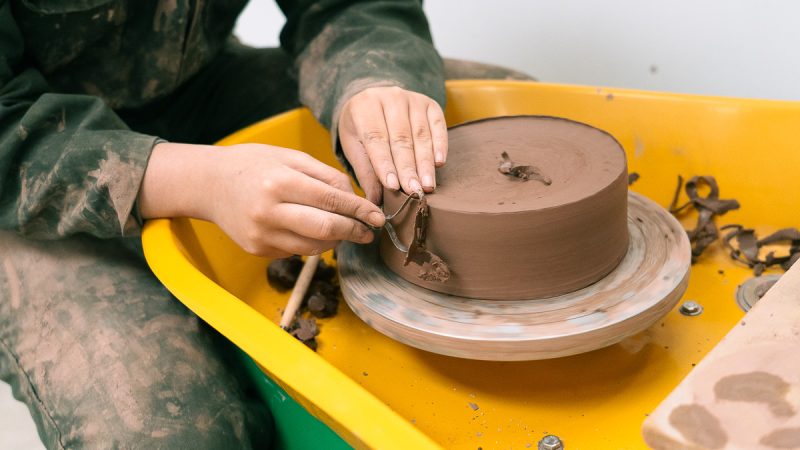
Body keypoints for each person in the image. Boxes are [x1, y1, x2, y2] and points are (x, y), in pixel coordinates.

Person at [0, 0, 530, 447]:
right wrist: (196, 180)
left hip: (196, 91)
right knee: (169, 428)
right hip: (24, 159)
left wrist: (370, 82)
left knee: (507, 117)